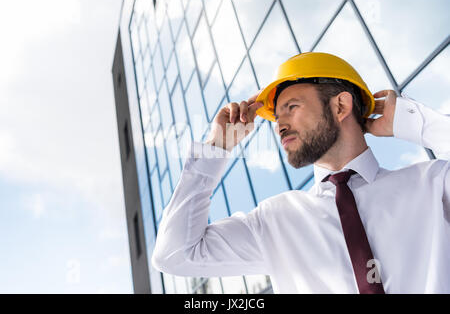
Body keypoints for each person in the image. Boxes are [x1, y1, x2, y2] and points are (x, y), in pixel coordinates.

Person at [151, 52, 450, 293]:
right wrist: (216, 148)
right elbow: (174, 254)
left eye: (291, 107)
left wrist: (415, 124)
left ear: (341, 106)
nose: (279, 125)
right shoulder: (274, 221)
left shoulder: (432, 186)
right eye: (277, 116)